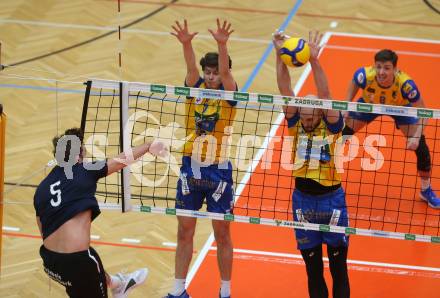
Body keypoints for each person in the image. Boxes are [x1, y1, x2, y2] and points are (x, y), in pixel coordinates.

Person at [34, 127, 168, 298]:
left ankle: (117, 284)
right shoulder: (84, 171)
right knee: (88, 264)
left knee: (90, 260)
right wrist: (149, 146)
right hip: (78, 263)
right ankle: (118, 286)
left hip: (51, 263)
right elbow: (121, 160)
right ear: (78, 155)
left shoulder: (41, 189)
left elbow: (43, 231)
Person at [273, 30, 350, 298]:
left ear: (319, 113)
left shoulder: (332, 127)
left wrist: (315, 60)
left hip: (332, 202)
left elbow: (325, 93)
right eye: (302, 119)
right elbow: (285, 89)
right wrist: (280, 54)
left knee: (339, 267)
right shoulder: (295, 126)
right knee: (313, 268)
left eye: (309, 119)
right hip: (303, 202)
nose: (305, 123)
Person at [166, 18, 237, 298]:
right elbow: (190, 68)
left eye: (215, 73)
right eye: (208, 73)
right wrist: (186, 44)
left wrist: (222, 44)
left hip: (218, 173)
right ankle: (178, 291)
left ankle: (225, 292)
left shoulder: (229, 94)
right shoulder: (194, 90)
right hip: (189, 170)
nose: (210, 77)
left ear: (223, 73)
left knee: (222, 235)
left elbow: (226, 74)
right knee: (184, 232)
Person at [343, 49, 440, 208]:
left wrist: (415, 137)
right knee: (341, 135)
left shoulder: (406, 85)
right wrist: (346, 105)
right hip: (370, 104)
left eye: (387, 68)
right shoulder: (364, 75)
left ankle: (426, 190)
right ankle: (326, 179)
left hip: (400, 108)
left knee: (422, 148)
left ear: (395, 69)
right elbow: (354, 81)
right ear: (374, 66)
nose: (381, 72)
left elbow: (424, 112)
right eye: (378, 67)